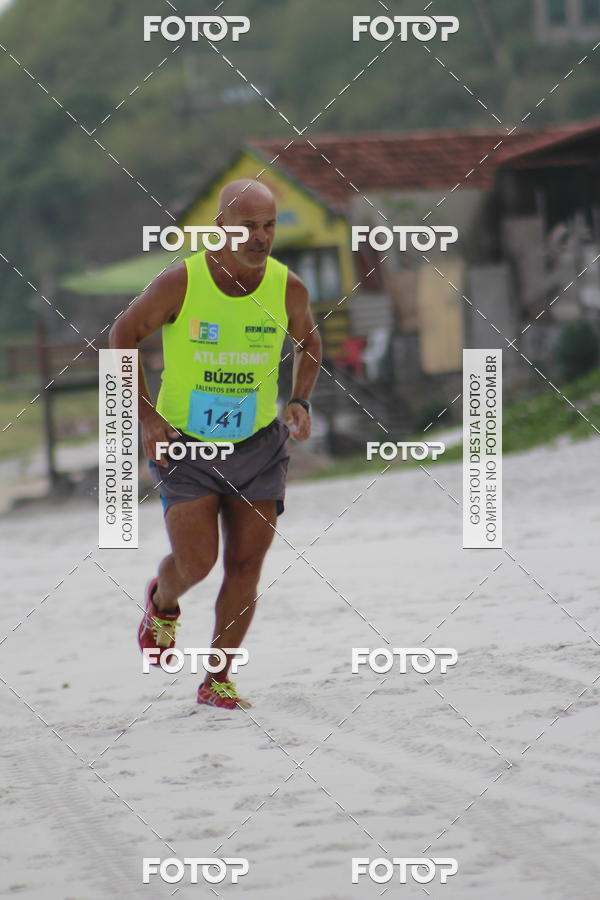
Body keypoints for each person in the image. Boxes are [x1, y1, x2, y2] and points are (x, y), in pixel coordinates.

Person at [109, 179, 322, 709]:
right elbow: (122, 334)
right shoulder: (182, 282)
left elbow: (310, 341)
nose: (260, 237)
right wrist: (147, 417)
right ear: (221, 226)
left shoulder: (288, 288)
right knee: (197, 562)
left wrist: (300, 400)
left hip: (257, 446)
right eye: (248, 226)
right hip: (185, 447)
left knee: (246, 565)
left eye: (269, 226)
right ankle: (162, 603)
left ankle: (217, 679)